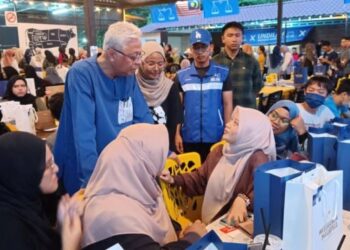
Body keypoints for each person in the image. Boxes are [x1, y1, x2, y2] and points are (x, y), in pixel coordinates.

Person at [54, 21, 153, 195]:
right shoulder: (82, 74)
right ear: (112, 54)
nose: (138, 62)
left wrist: (160, 151)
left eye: (140, 55)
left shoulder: (127, 74)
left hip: (118, 164)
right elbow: (84, 132)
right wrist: (92, 180)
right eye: (133, 56)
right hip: (87, 165)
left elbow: (142, 116)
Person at [82, 124, 207, 250]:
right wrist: (192, 238)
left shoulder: (138, 189)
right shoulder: (111, 217)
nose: (161, 169)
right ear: (141, 166)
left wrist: (180, 233)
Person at [161, 106, 276, 224]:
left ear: (250, 132)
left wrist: (243, 199)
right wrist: (174, 179)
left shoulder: (258, 158)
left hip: (239, 224)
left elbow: (265, 193)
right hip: (213, 221)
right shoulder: (221, 151)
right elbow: (201, 178)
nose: (228, 124)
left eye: (236, 123)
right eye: (231, 120)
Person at [0, 132, 82, 250]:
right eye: (48, 165)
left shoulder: (28, 201)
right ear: (25, 173)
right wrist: (71, 245)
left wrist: (60, 227)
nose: (56, 168)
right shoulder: (8, 232)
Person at [175, 29, 233, 161]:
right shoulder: (181, 76)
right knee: (191, 176)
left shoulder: (223, 74)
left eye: (204, 47)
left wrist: (227, 132)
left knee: (214, 176)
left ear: (211, 48)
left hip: (216, 135)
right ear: (191, 49)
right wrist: (177, 133)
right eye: (196, 48)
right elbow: (178, 108)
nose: (200, 52)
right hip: (189, 136)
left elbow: (228, 104)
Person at [136, 41, 183, 152]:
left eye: (160, 64)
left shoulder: (169, 86)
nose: (156, 68)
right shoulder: (132, 85)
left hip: (165, 144)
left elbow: (176, 116)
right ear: (142, 62)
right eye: (151, 63)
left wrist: (177, 135)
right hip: (139, 144)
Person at [213, 21, 262, 109]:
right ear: (223, 39)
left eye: (237, 35)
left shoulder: (251, 61)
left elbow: (258, 86)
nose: (234, 39)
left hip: (247, 110)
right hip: (223, 112)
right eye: (230, 35)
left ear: (242, 38)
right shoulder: (214, 62)